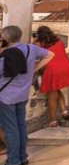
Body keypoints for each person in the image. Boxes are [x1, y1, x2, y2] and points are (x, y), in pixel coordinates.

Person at [0, 24, 53, 165]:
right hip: (22, 94)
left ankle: (13, 161)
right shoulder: (30, 48)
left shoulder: (5, 56)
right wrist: (34, 69)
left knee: (10, 129)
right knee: (20, 126)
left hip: (6, 97)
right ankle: (22, 157)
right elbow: (50, 55)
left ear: (5, 38)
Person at [33, 25, 69, 128]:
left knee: (51, 97)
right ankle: (64, 111)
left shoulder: (38, 43)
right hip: (65, 66)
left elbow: (32, 55)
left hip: (52, 69)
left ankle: (53, 121)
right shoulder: (59, 41)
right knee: (56, 89)